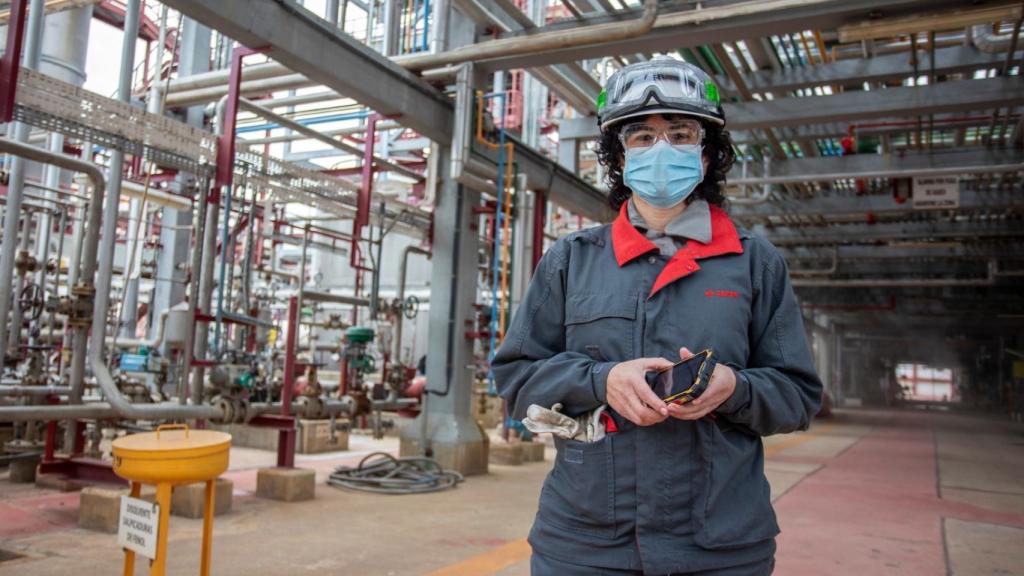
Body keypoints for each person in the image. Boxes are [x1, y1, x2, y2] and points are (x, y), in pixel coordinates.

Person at [492, 58, 823, 576]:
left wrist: (735, 388)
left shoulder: (756, 264)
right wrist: (602, 381)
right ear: (619, 159)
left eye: (681, 133)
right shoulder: (571, 260)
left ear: (708, 155)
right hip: (587, 545)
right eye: (642, 137)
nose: (661, 149)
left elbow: (798, 396)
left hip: (719, 548)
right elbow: (515, 377)